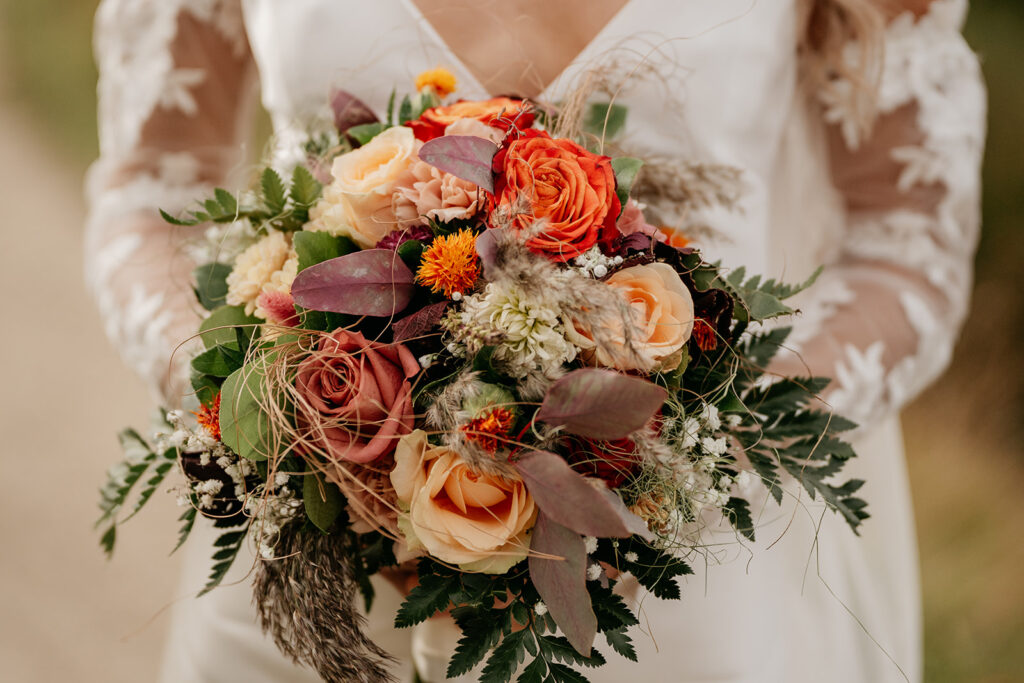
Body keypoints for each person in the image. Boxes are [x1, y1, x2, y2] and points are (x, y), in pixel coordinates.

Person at [85, 0, 985, 681]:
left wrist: (701, 458)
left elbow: (905, 239)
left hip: (683, 588)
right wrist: (270, 414)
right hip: (314, 573)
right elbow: (151, 186)